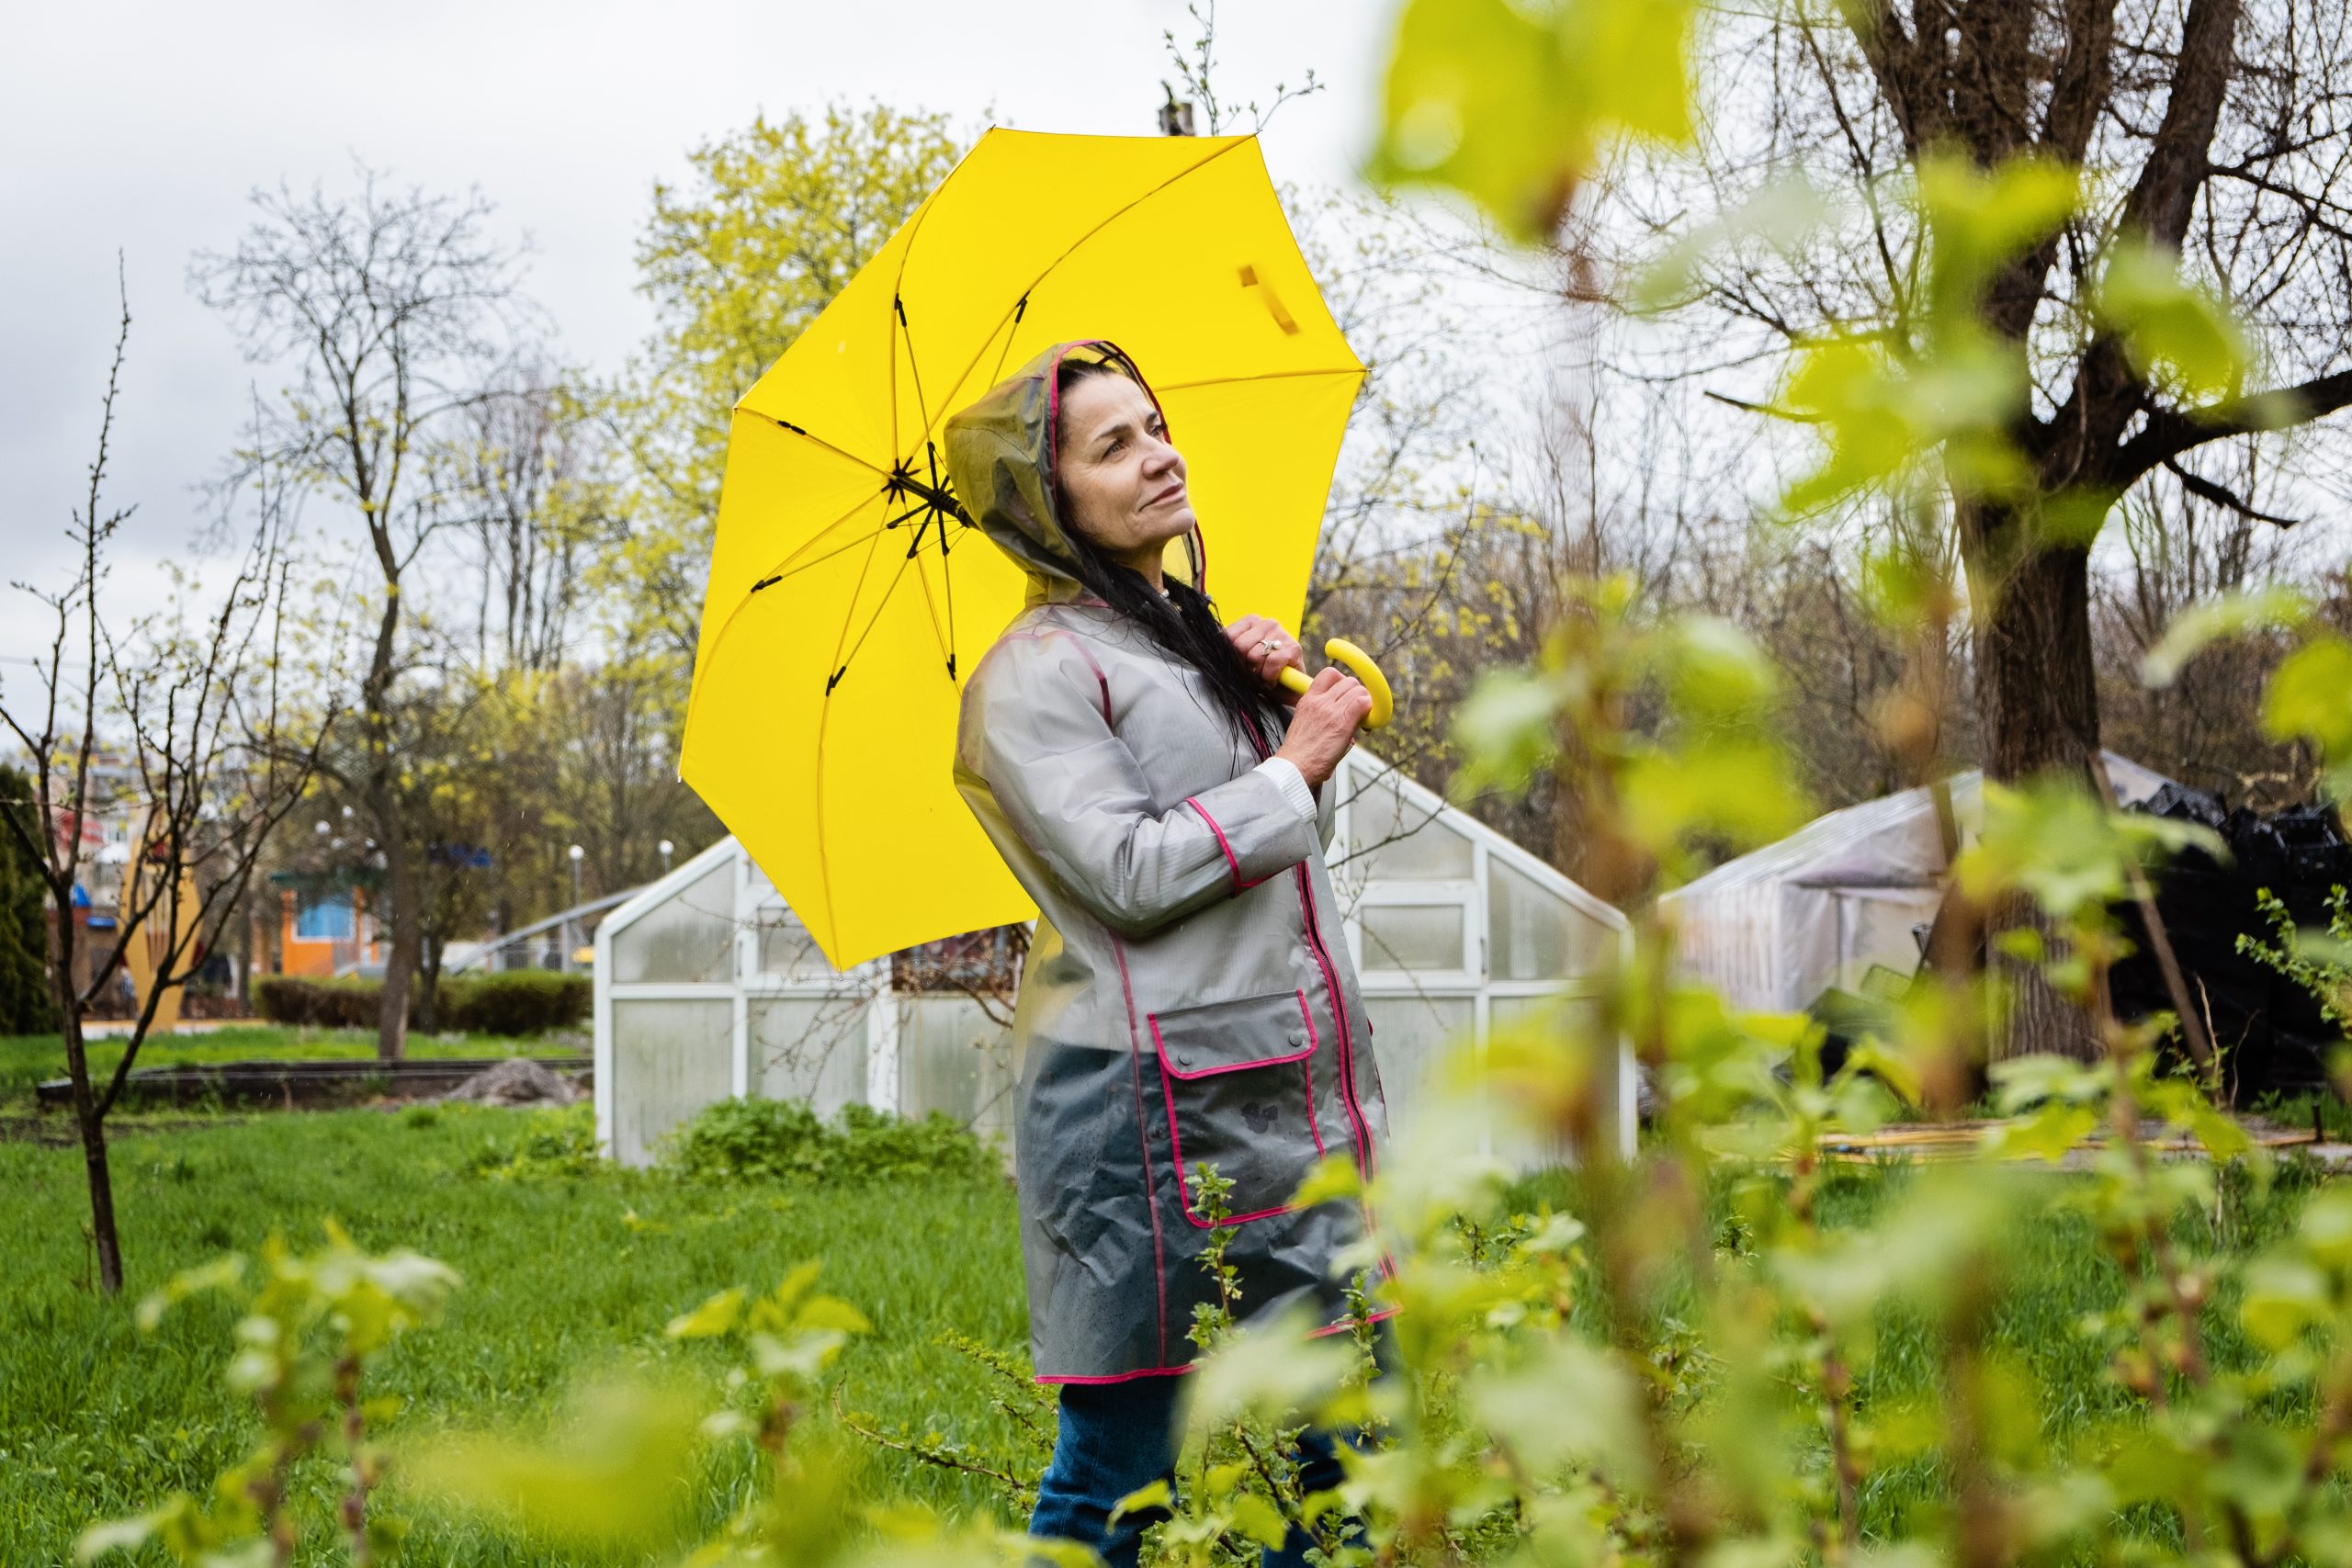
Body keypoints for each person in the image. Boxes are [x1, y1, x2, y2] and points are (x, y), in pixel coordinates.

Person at [943, 341, 1390, 1568]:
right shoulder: (1032, 678)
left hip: (1287, 1102)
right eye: (1114, 445)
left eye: (1155, 424)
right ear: (1050, 503)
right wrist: (1288, 760)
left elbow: (1276, 850)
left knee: (1347, 1452)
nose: (1158, 454)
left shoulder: (1178, 644)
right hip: (1149, 1130)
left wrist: (1272, 714)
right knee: (1119, 1475)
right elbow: (1134, 876)